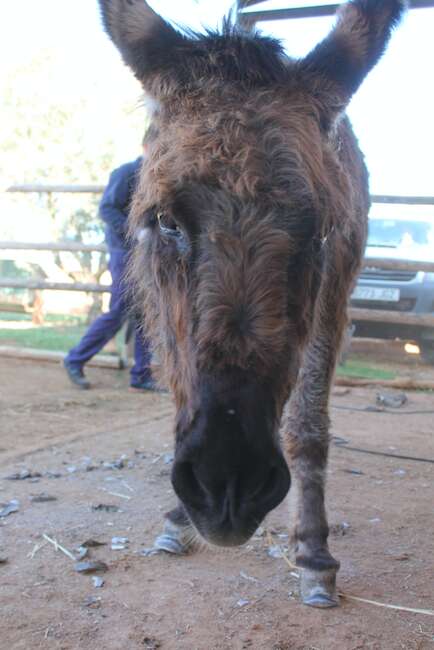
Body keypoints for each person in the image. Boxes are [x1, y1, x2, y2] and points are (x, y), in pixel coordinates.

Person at [64, 132, 156, 391]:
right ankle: (75, 359)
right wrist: (134, 231)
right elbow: (107, 208)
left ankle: (141, 374)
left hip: (146, 253)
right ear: (147, 146)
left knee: (144, 314)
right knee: (119, 309)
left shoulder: (159, 178)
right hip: (124, 252)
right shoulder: (127, 172)